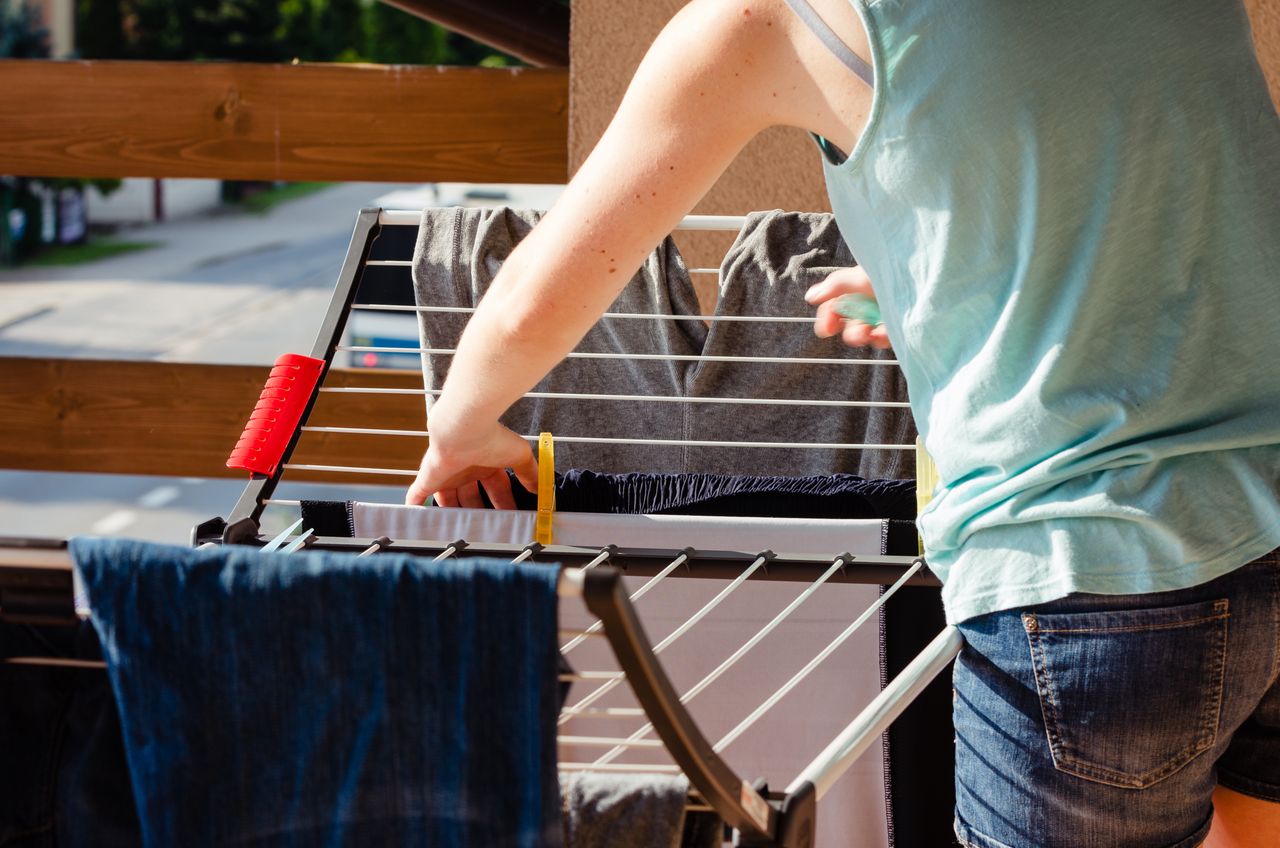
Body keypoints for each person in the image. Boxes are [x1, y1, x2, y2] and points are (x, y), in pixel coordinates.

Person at [405, 1, 1280, 845]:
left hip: (1090, 573)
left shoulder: (772, 20)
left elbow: (536, 296)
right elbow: (1145, 193)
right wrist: (946, 292)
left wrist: (464, 429)